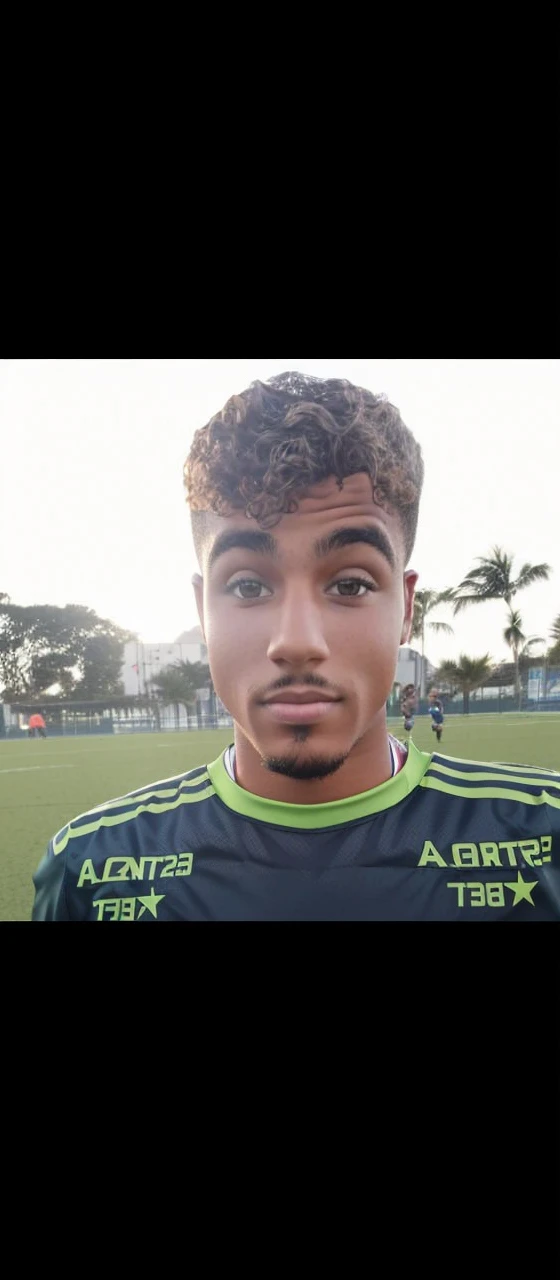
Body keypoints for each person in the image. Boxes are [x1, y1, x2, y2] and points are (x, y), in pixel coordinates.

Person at [32, 371, 560, 920]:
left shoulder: (545, 838)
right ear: (201, 611)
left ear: (406, 609)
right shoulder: (92, 869)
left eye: (350, 584)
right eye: (248, 586)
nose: (296, 642)